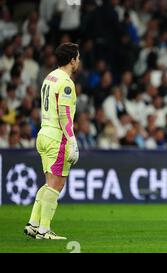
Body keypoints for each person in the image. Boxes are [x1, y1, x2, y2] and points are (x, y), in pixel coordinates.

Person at [24, 43, 80, 240]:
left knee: (49, 183)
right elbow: (64, 114)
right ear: (72, 60)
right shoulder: (66, 82)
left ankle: (33, 224)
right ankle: (44, 230)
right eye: (78, 58)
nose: (79, 61)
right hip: (57, 137)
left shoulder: (49, 77)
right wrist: (72, 140)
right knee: (57, 184)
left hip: (43, 133)